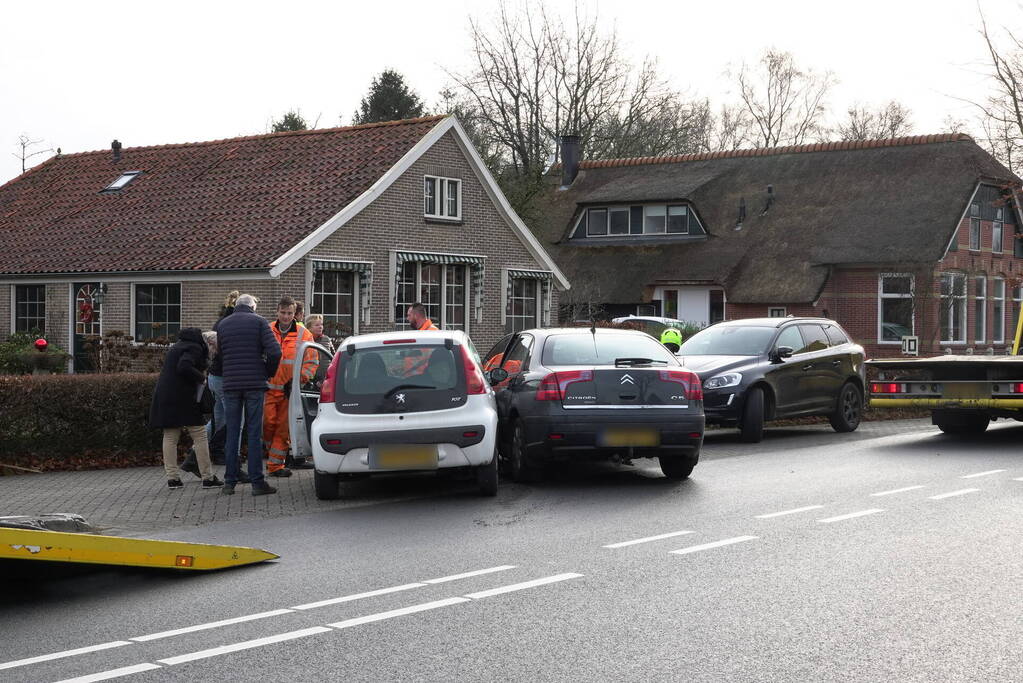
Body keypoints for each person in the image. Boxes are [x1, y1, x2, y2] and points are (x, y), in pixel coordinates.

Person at [214, 293, 281, 496]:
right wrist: (267, 372)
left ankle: (229, 482)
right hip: (254, 385)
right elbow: (275, 352)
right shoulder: (260, 322)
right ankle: (257, 483)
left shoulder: (223, 325)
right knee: (253, 433)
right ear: (252, 307)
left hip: (231, 384)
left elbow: (219, 354)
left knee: (232, 433)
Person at [148, 328, 223, 490]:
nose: (213, 353)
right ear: (209, 343)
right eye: (215, 349)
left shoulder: (179, 345)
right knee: (200, 435)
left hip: (166, 395)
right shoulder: (195, 348)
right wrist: (202, 378)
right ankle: (208, 477)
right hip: (184, 398)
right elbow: (184, 366)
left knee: (170, 436)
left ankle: (173, 478)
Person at [263, 296, 317, 476]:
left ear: (295, 314)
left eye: (290, 313)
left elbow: (312, 362)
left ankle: (275, 466)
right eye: (283, 313)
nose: (286, 317)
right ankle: (272, 457)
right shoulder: (267, 330)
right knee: (267, 424)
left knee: (282, 429)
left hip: (289, 391)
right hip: (267, 389)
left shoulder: (304, 334)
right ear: (277, 311)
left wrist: (298, 380)